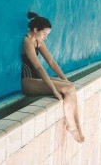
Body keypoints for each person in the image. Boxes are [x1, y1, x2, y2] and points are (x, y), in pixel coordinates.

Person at [21, 11, 84, 143]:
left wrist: (65, 79)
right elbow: (38, 67)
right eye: (44, 34)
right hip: (28, 83)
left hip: (36, 80)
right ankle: (71, 126)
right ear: (35, 29)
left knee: (70, 87)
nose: (46, 37)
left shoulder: (38, 41)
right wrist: (55, 90)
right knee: (67, 90)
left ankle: (77, 126)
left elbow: (51, 62)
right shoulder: (27, 42)